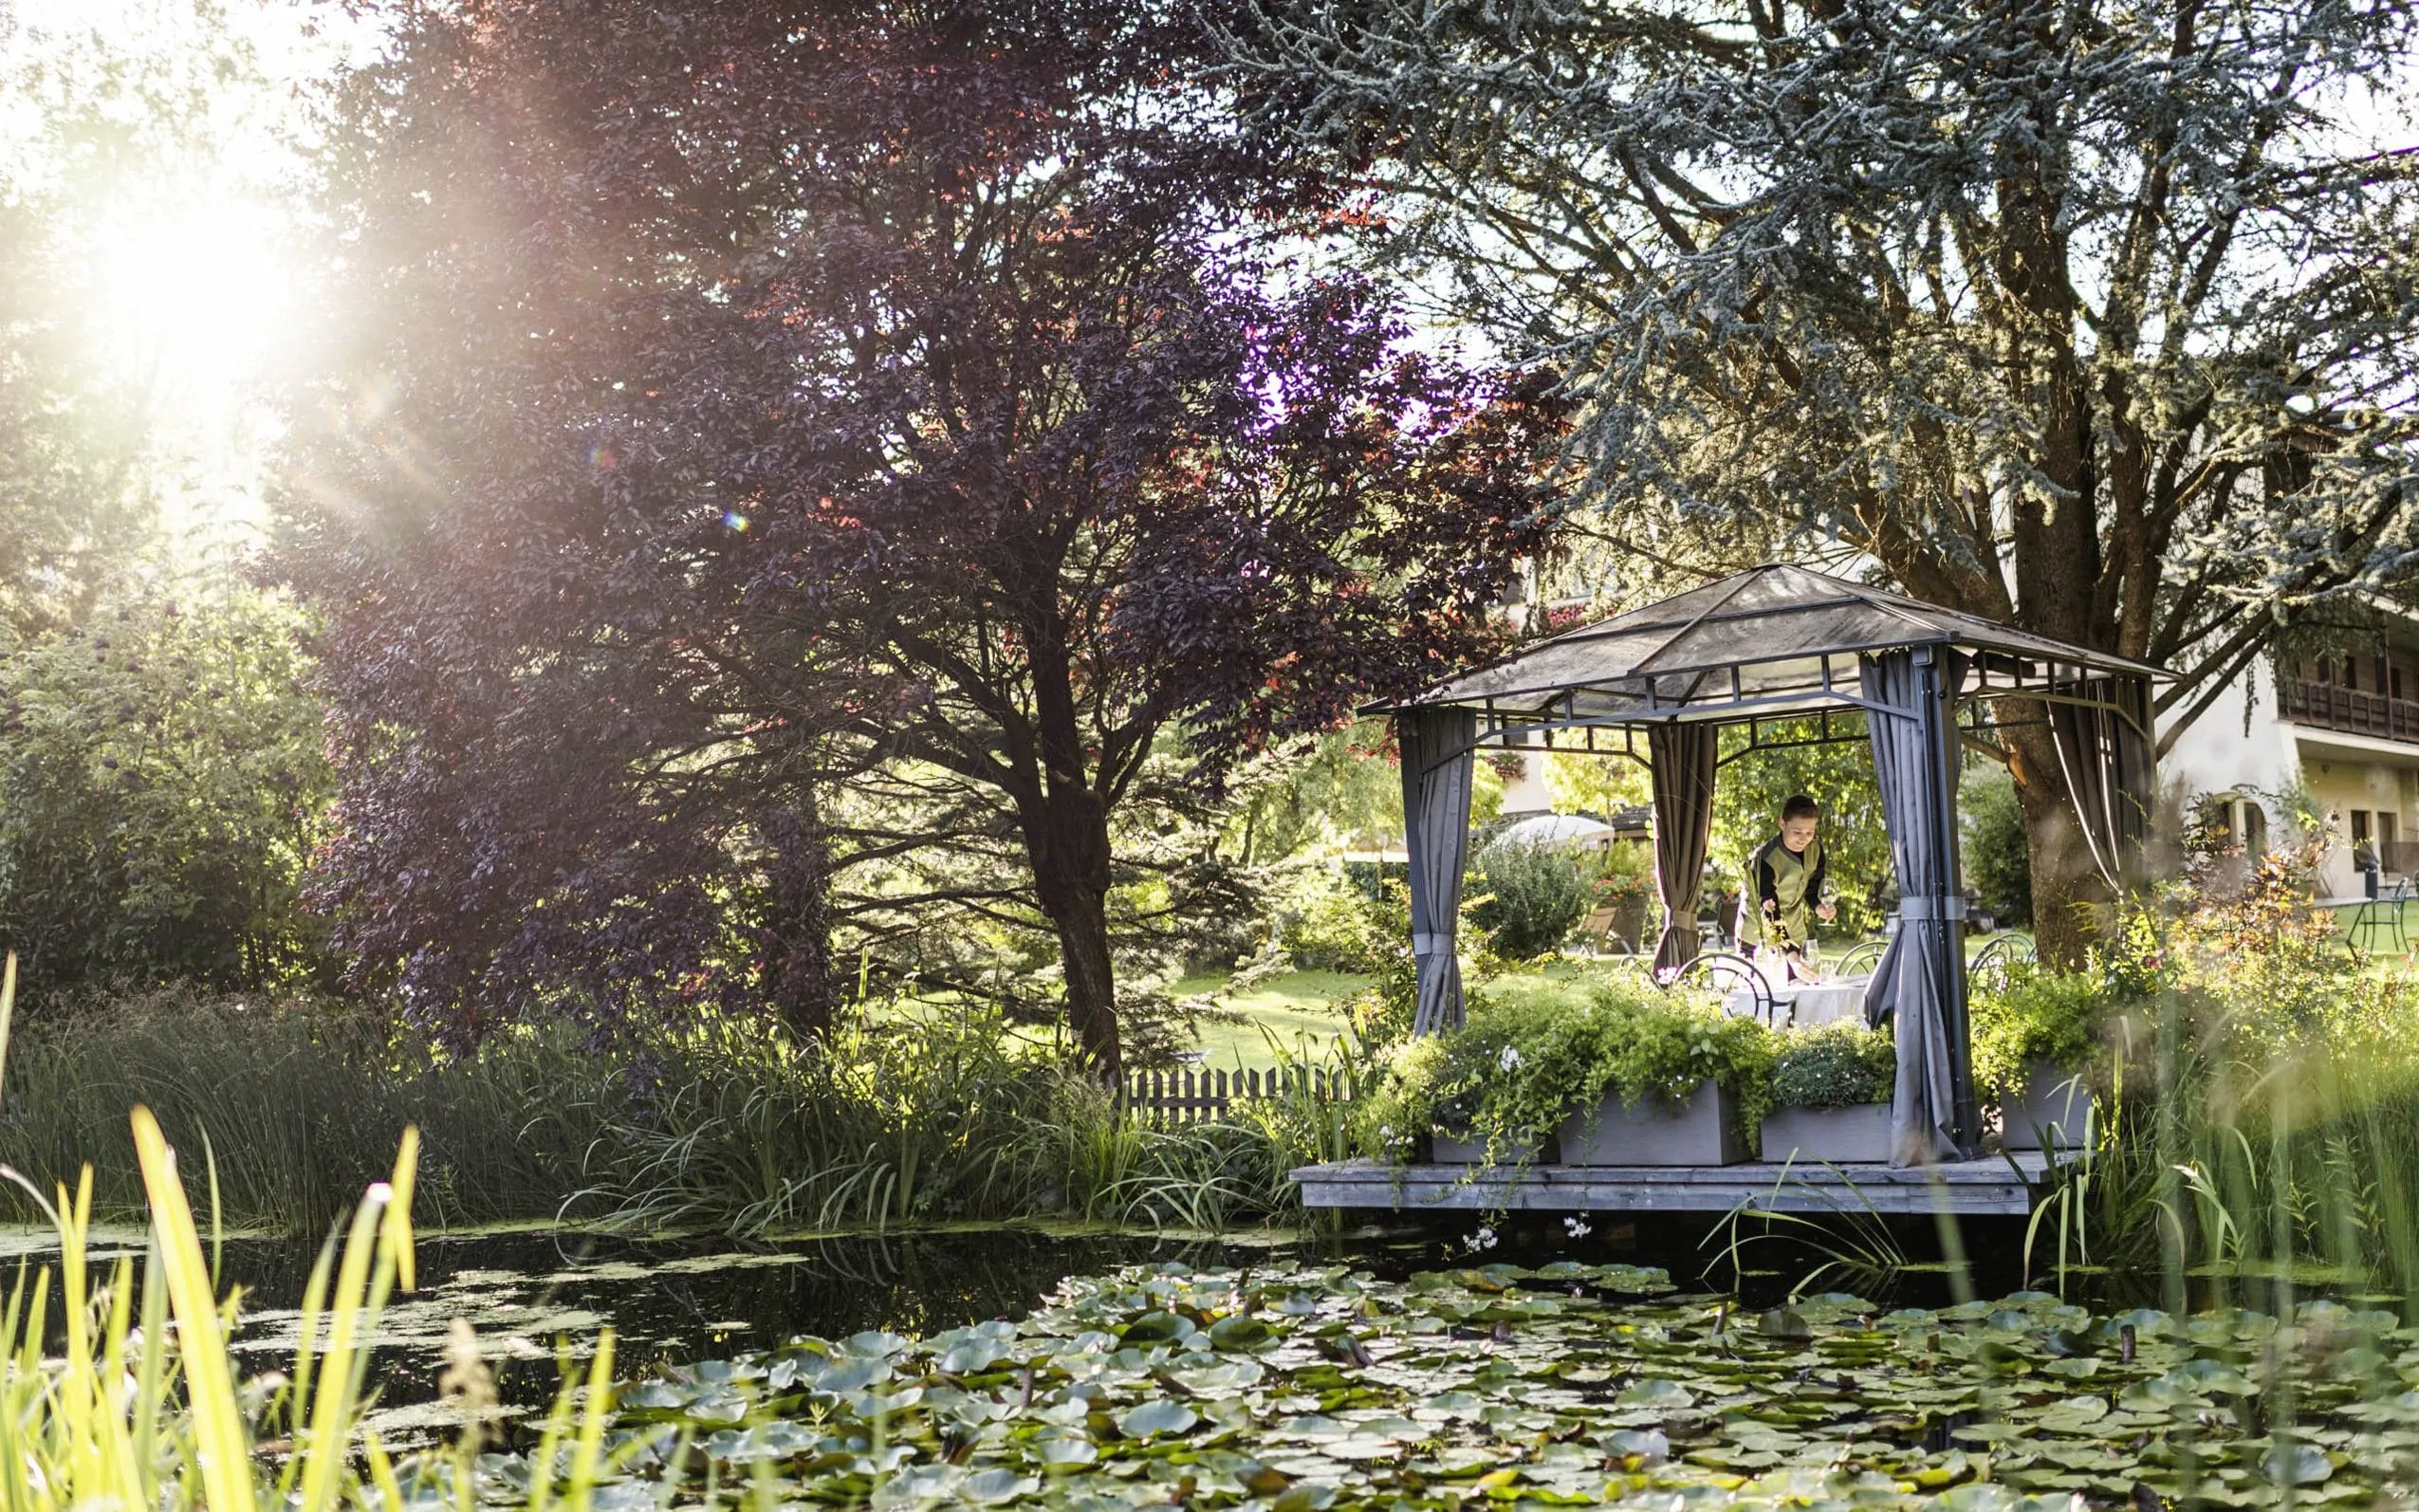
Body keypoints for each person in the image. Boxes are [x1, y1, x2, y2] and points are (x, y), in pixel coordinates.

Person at [1736, 793, 1836, 982]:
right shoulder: (1763, 860)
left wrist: (1818, 907)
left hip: (1794, 933)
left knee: (1796, 994)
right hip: (1757, 938)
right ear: (1782, 823)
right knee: (1761, 997)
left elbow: (1812, 888)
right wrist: (1793, 959)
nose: (1803, 839)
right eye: (1797, 832)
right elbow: (1769, 912)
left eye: (1810, 832)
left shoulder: (1815, 850)